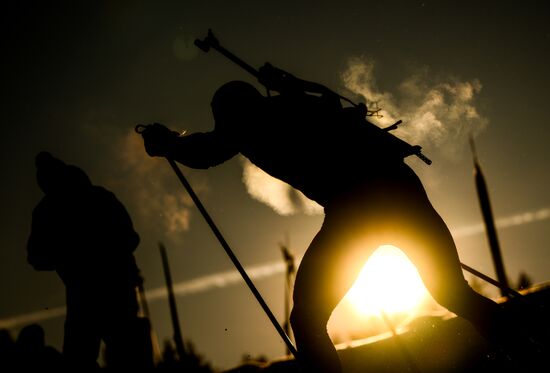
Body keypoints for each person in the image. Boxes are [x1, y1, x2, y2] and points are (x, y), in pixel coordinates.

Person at [138, 80, 537, 373]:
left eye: (224, 120)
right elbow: (326, 103)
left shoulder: (252, 122)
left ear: (232, 113)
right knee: (451, 291)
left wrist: (169, 144)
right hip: (398, 192)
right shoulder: (290, 107)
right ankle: (527, 349)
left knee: (307, 321)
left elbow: (208, 150)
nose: (226, 128)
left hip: (355, 210)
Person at [27, 152, 153, 372]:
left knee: (100, 358)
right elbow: (36, 256)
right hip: (93, 291)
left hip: (104, 289)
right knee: (92, 359)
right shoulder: (90, 199)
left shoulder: (57, 208)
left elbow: (130, 238)